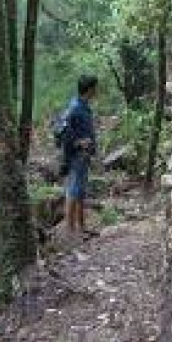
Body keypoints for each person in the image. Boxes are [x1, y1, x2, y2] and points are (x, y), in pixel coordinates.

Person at [63, 75, 98, 237]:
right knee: (74, 190)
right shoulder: (75, 107)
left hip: (84, 155)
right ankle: (70, 230)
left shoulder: (83, 106)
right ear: (89, 89)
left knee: (80, 191)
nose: (97, 91)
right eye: (95, 88)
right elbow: (62, 130)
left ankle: (82, 226)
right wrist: (79, 142)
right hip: (77, 155)